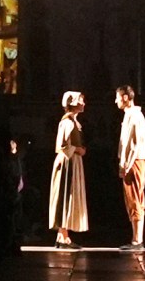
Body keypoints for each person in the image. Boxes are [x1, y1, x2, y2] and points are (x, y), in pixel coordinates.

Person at [49, 90, 89, 246]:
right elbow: (63, 146)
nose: (83, 103)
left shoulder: (73, 121)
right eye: (81, 101)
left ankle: (62, 235)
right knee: (66, 195)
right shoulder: (67, 122)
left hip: (73, 161)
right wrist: (79, 150)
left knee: (68, 196)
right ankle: (63, 234)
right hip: (68, 162)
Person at [115, 85, 145, 250]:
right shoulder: (129, 115)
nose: (116, 101)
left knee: (135, 198)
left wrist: (127, 164)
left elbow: (136, 143)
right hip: (130, 161)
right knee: (131, 199)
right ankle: (135, 238)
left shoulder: (136, 116)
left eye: (118, 97)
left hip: (134, 162)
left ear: (126, 98)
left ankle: (138, 240)